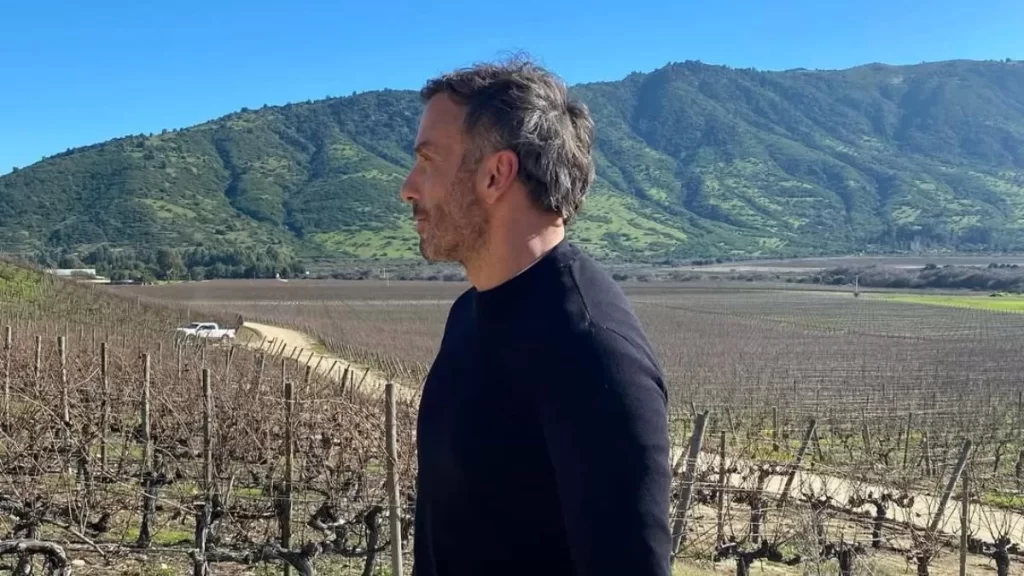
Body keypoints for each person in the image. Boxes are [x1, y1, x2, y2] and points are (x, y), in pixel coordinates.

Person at [399, 55, 672, 576]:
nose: (408, 188)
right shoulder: (468, 314)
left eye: (428, 161)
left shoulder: (594, 354)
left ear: (496, 175)